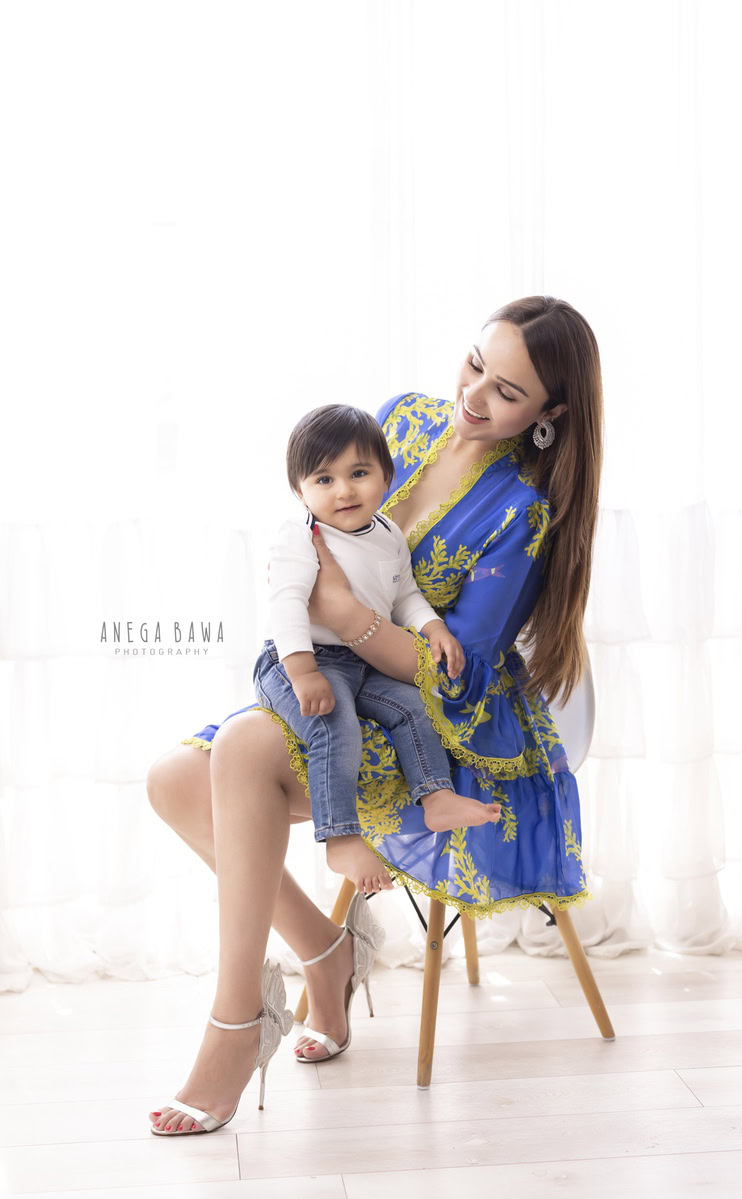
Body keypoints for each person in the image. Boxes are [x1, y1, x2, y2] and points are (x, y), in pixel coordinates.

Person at [145, 295, 603, 1135]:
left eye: (506, 392)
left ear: (551, 414)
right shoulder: (403, 420)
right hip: (336, 677)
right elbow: (314, 513)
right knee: (173, 779)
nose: (473, 396)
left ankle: (235, 1026)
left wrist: (345, 613)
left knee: (241, 748)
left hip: (436, 724)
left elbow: (451, 677)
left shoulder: (520, 513)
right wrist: (306, 601)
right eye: (475, 363)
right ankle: (327, 954)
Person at [255, 402, 502, 886]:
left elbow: (404, 594)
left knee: (412, 705)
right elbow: (286, 604)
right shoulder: (301, 537)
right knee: (335, 723)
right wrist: (303, 672)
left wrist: (433, 628)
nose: (344, 490)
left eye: (358, 473)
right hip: (300, 660)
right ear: (299, 491)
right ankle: (340, 838)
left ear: (386, 476)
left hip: (360, 662)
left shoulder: (387, 533)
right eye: (324, 479)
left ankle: (436, 797)